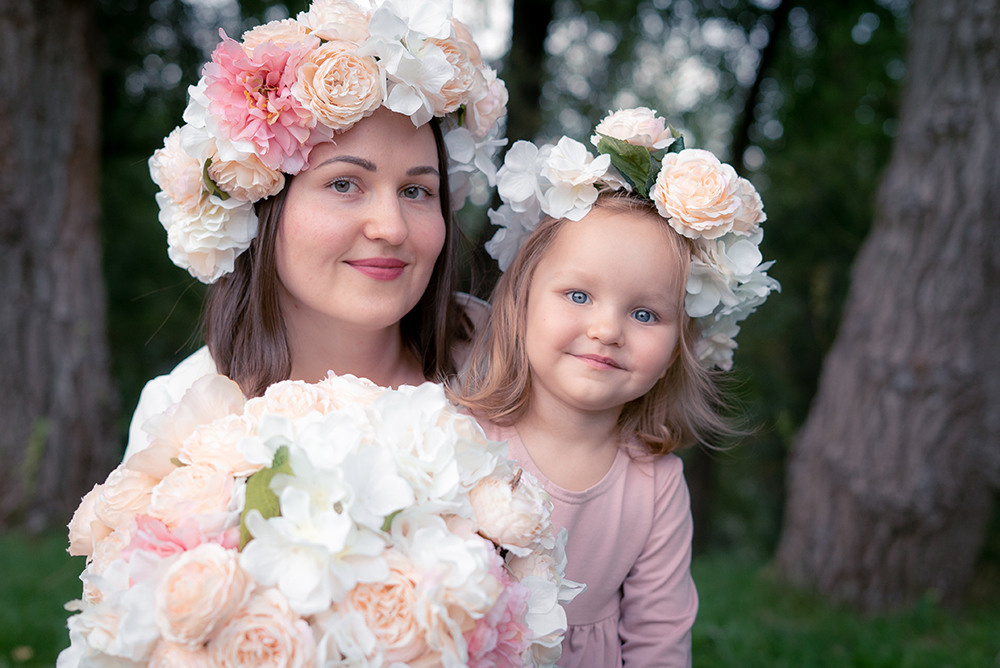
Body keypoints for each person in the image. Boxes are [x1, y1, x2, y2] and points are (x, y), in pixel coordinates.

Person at [453, 108, 780, 666]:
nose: (606, 330)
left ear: (681, 343)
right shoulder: (461, 430)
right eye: (578, 296)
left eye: (646, 314)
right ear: (521, 300)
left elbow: (660, 638)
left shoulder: (655, 488)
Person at [124, 0, 508, 461]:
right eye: (344, 184)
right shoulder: (181, 417)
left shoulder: (503, 365)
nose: (390, 227)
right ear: (262, 207)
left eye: (416, 191)